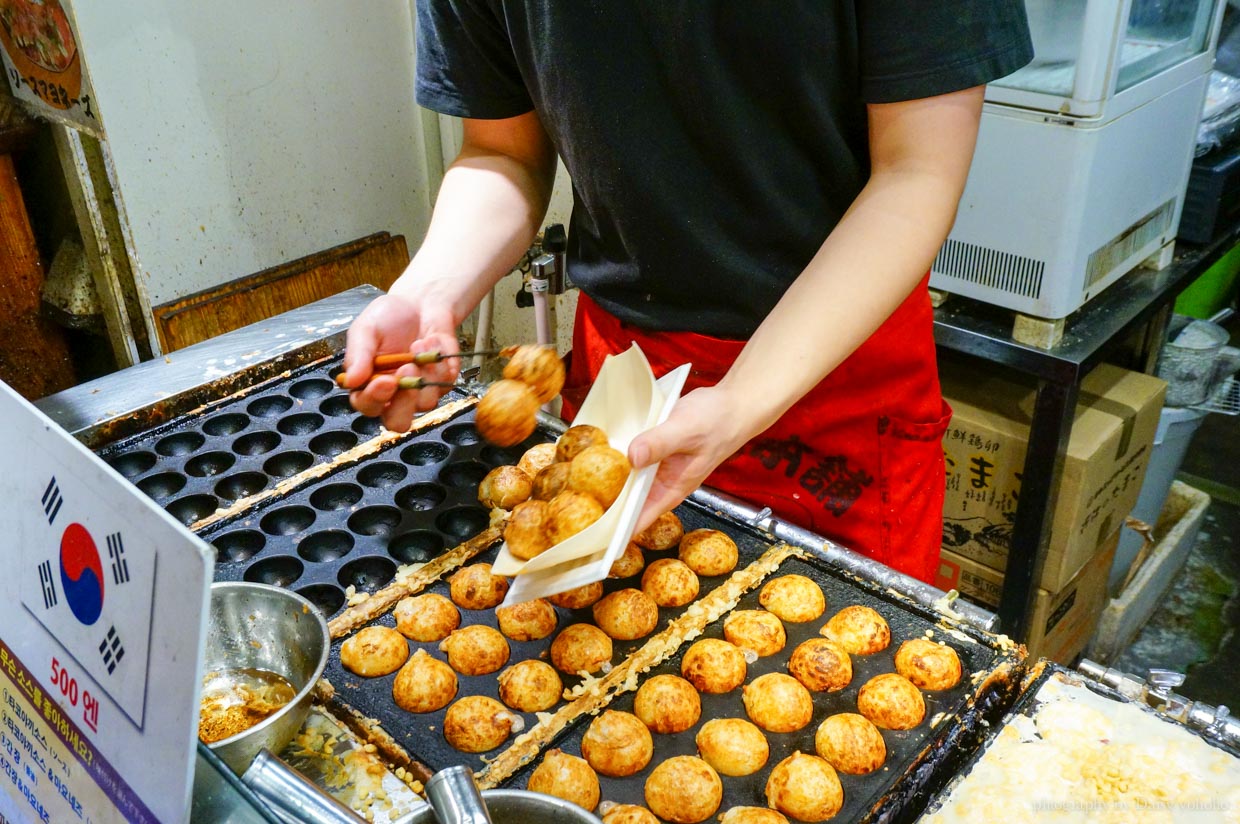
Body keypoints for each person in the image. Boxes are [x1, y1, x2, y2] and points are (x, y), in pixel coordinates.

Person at [344, 3, 1033, 584]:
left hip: (832, 374)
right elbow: (503, 149)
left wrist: (740, 398)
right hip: (628, 373)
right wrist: (433, 290)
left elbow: (916, 172)